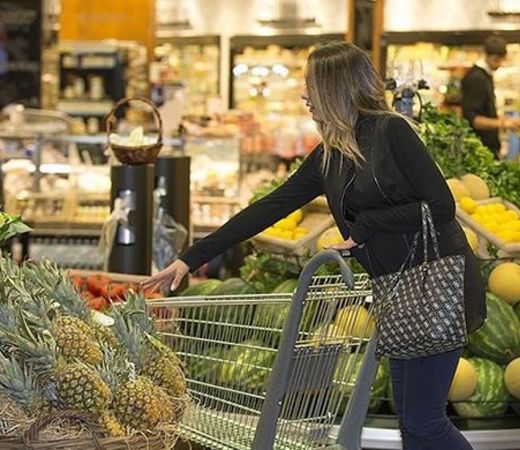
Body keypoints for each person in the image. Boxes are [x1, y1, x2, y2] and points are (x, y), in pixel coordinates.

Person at [144, 42, 486, 450]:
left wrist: (368, 226)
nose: (305, 95)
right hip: (399, 293)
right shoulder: (331, 155)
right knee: (414, 424)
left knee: (424, 423)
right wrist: (192, 257)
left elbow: (442, 206)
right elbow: (269, 207)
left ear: (335, 88)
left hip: (438, 288)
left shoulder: (391, 131)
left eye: (311, 86)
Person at [460, 35, 520, 158]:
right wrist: (503, 123)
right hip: (479, 149)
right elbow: (473, 119)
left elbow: (483, 111)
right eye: (496, 60)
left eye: (501, 60)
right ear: (486, 55)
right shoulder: (477, 79)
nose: (499, 64)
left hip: (484, 147)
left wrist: (503, 119)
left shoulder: (485, 75)